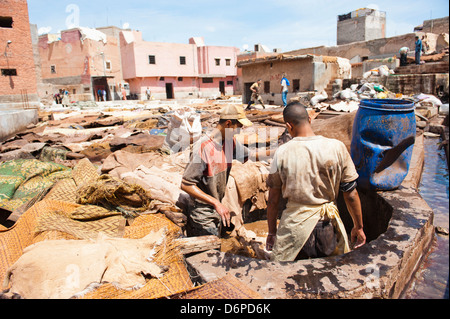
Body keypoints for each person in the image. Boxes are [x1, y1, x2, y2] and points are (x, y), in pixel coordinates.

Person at [265, 102, 366, 262]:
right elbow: (351, 194)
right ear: (310, 120)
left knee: (290, 279)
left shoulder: (281, 152)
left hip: (294, 230)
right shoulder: (337, 147)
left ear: (288, 126)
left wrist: (272, 232)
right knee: (330, 275)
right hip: (328, 227)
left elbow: (273, 200)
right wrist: (358, 227)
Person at [181, 104, 273, 237]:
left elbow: (252, 155)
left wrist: (281, 151)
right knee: (209, 251)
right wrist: (215, 203)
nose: (239, 132)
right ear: (229, 124)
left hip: (217, 207)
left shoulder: (229, 143)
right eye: (239, 128)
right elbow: (186, 184)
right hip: (202, 213)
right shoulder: (203, 148)